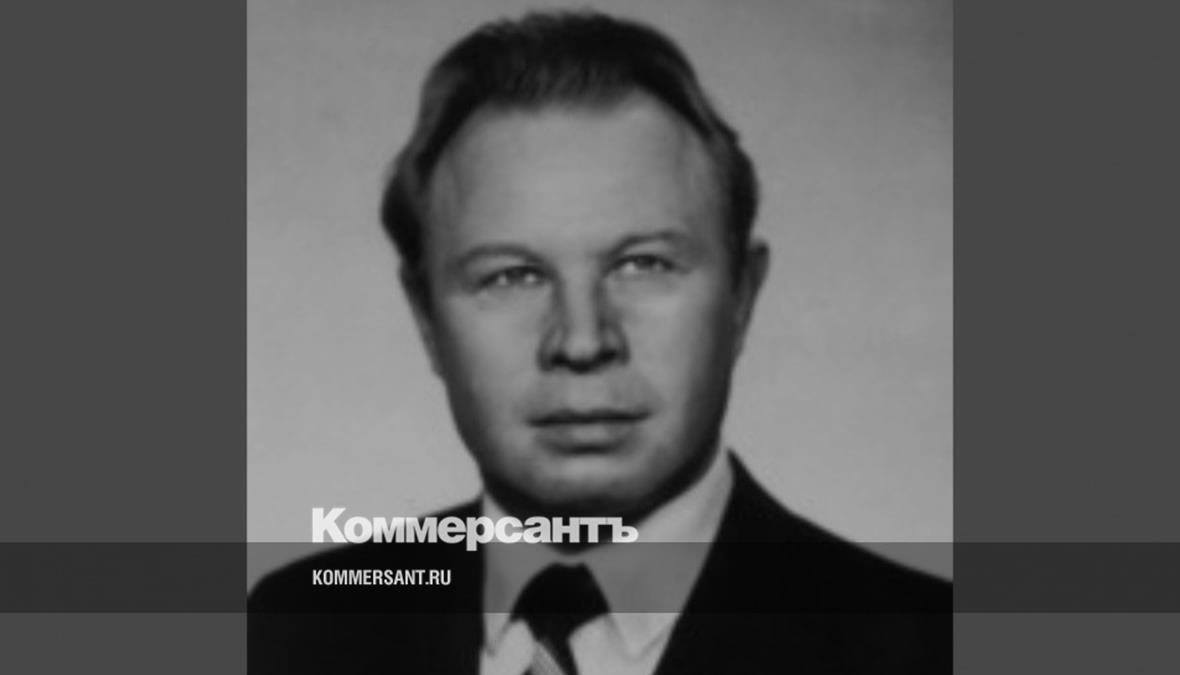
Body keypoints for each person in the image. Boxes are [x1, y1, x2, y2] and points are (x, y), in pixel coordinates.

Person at [249, 10, 950, 674]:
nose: (582, 341)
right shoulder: (289, 631)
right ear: (426, 319)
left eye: (643, 265)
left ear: (742, 295)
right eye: (512, 275)